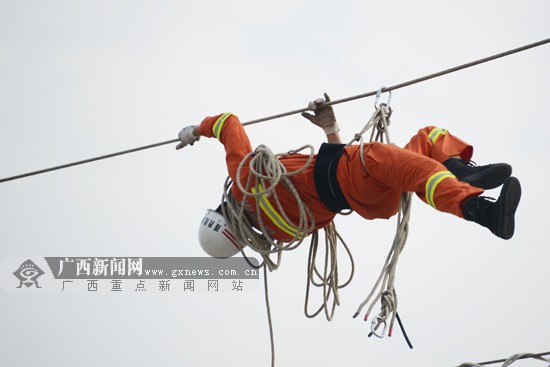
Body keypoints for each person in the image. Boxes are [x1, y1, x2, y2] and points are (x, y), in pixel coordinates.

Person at [176, 96, 521, 257]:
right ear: (223, 213)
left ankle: (457, 172)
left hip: (366, 200)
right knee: (421, 172)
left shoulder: (281, 231)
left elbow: (323, 193)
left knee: (427, 141)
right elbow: (228, 123)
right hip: (358, 168)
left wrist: (331, 129)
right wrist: (194, 130)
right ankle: (478, 209)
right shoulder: (246, 183)